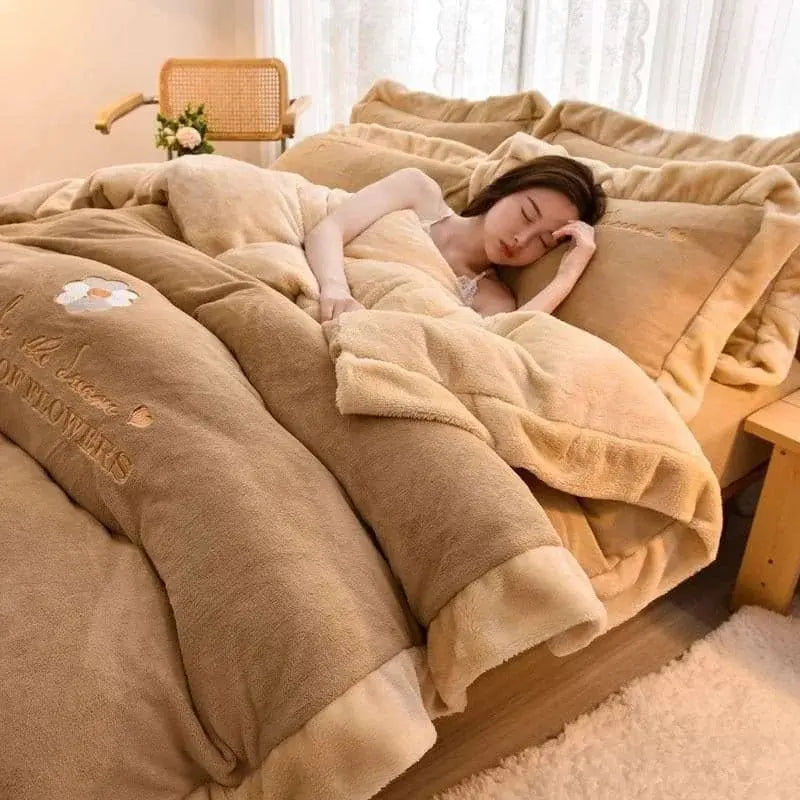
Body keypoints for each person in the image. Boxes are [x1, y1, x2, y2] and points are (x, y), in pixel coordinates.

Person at [303, 155, 606, 321]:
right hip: (315, 285)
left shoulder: (493, 299)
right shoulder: (418, 191)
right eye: (527, 214)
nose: (521, 239)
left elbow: (492, 345)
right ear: (506, 189)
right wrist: (335, 288)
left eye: (543, 242)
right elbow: (328, 230)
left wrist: (567, 276)